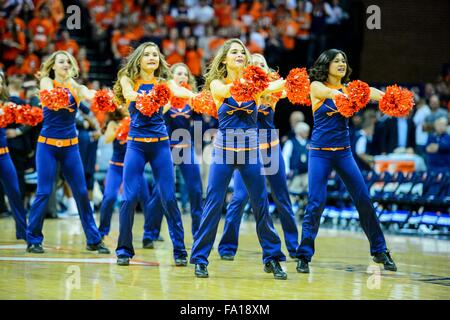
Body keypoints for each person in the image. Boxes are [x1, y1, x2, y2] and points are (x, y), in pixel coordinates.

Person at [189, 39, 287, 280]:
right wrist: (258, 84)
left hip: (250, 153)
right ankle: (200, 259)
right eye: (234, 52)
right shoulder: (217, 84)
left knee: (261, 204)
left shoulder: (256, 86)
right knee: (213, 204)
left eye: (242, 52)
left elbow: (279, 88)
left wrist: (296, 81)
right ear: (224, 59)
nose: (240, 54)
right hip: (223, 152)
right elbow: (227, 91)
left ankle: (272, 258)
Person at [295, 49, 397, 273]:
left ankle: (380, 250)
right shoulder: (316, 87)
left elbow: (370, 91)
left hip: (344, 153)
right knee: (316, 202)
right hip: (320, 153)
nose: (341, 63)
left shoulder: (352, 89)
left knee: (363, 199)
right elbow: (326, 92)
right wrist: (342, 95)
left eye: (344, 60)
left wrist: (390, 98)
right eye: (336, 61)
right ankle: (304, 254)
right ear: (326, 65)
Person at [113, 42, 195, 266]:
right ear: (138, 59)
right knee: (129, 198)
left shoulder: (163, 83)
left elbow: (178, 90)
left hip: (160, 145)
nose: (152, 57)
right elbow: (129, 94)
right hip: (136, 146)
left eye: (155, 55)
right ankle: (123, 250)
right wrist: (147, 97)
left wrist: (197, 97)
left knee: (168, 197)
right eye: (147, 54)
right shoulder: (128, 79)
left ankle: (179, 250)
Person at [26, 51, 110, 254]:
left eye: (68, 61)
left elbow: (90, 94)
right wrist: (70, 87)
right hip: (47, 146)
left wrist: (104, 96)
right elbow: (49, 93)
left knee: (81, 192)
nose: (65, 64)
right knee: (44, 191)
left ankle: (93, 239)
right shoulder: (47, 81)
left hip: (70, 147)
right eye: (60, 61)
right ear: (53, 66)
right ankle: (34, 239)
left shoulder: (77, 87)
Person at [217, 54, 299, 260]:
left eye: (262, 63)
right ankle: (227, 247)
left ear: (268, 69)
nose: (258, 66)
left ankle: (293, 246)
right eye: (253, 64)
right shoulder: (241, 90)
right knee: (239, 198)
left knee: (282, 198)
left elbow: (290, 90)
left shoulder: (272, 90)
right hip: (247, 150)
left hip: (270, 147)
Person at [143, 63, 203, 245]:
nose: (183, 77)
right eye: (179, 73)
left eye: (185, 74)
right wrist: (169, 97)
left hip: (186, 147)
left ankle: (198, 234)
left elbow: (198, 123)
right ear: (171, 76)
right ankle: (149, 233)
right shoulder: (163, 95)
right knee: (160, 192)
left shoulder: (191, 98)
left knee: (196, 190)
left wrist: (198, 149)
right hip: (166, 148)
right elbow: (157, 117)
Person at [98, 108, 153, 242]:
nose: (125, 108)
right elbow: (107, 139)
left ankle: (149, 234)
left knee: (145, 198)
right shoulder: (113, 123)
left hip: (135, 168)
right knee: (109, 198)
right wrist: (122, 127)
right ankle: (102, 231)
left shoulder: (137, 121)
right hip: (116, 167)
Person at [0, 71, 27, 240]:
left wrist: (18, 130)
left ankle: (25, 234)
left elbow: (31, 118)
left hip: (4, 156)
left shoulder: (6, 105)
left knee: (15, 193)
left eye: (1, 82)